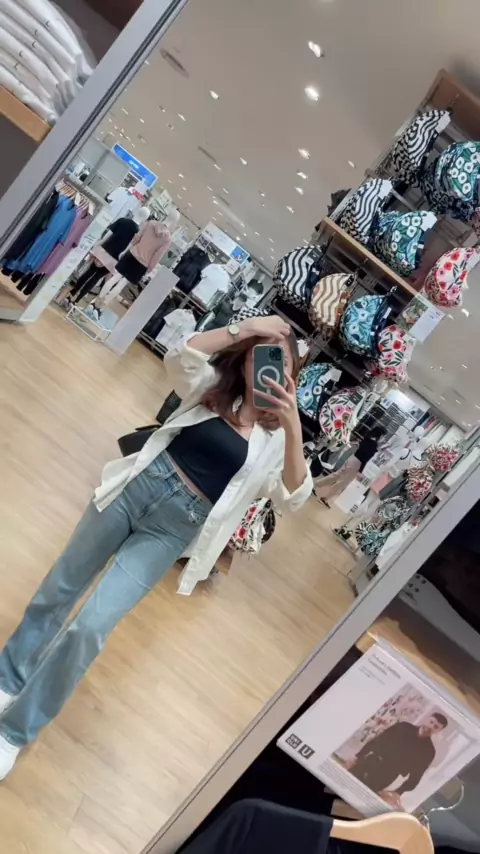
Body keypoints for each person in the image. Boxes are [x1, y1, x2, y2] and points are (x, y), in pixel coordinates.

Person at [0, 315, 312, 779]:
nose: (268, 365)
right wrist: (243, 328)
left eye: (281, 361)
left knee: (91, 626)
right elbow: (181, 355)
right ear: (247, 357)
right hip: (134, 489)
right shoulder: (211, 386)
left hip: (172, 528)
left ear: (291, 376)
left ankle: (13, 733)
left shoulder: (277, 439)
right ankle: (8, 679)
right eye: (261, 352)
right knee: (59, 589)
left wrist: (293, 424)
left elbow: (294, 496)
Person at [345, 714, 448, 803]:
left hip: (386, 775)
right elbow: (378, 740)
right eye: (431, 722)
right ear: (427, 719)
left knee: (358, 798)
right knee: (345, 784)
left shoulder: (428, 752)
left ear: (439, 731)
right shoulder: (403, 726)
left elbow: (417, 775)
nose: (430, 726)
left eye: (436, 727)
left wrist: (399, 792)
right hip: (370, 761)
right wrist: (357, 756)